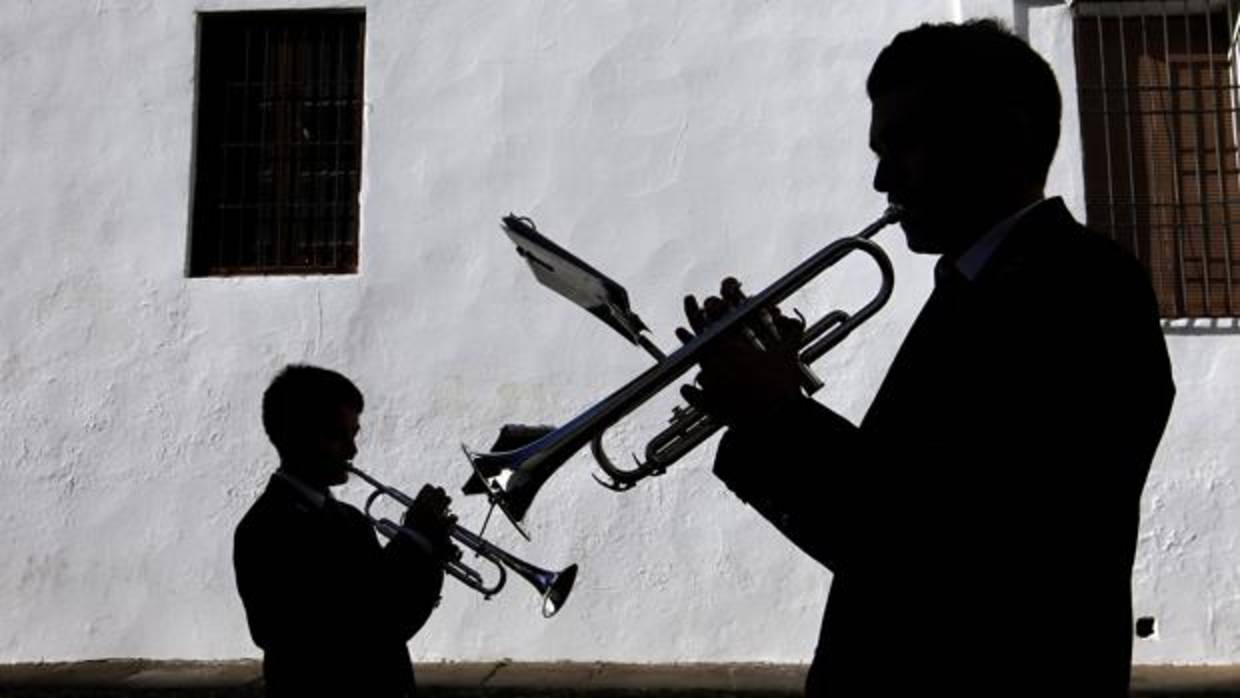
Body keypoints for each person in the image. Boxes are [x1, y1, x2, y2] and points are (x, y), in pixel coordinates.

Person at [679, 20, 1175, 696]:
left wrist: (776, 416)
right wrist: (774, 393)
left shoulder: (1083, 289)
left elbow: (948, 552)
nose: (883, 176)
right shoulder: (980, 281)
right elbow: (910, 491)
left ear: (1006, 135)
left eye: (906, 144)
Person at [234, 364, 452, 698]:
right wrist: (414, 544)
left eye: (355, 434)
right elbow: (368, 626)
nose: (352, 450)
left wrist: (427, 554)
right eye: (338, 436)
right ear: (300, 436)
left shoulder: (350, 519)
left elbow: (391, 611)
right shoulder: (266, 528)